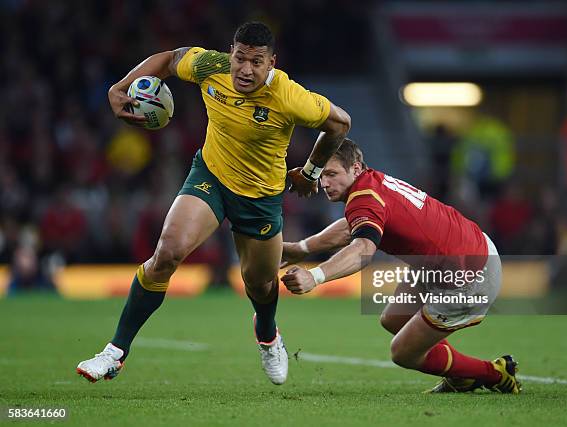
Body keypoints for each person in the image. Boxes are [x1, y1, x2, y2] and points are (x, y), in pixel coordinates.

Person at [76, 22, 351, 385]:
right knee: (167, 253)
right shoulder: (212, 66)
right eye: (240, 59)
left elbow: (339, 123)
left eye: (256, 62)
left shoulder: (290, 96)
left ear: (271, 63)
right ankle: (115, 352)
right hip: (211, 178)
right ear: (230, 53)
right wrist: (119, 87)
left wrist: (313, 171)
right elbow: (169, 60)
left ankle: (268, 335)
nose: (245, 70)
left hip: (260, 197)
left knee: (261, 285)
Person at [280, 139, 521, 393]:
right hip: (463, 250)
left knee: (403, 353)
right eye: (321, 175)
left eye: (332, 174)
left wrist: (315, 276)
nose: (324, 183)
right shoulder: (370, 184)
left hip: (470, 275)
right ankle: (462, 374)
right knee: (394, 319)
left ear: (356, 169)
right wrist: (302, 249)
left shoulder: (364, 197)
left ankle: (495, 373)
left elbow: (363, 250)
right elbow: (352, 226)